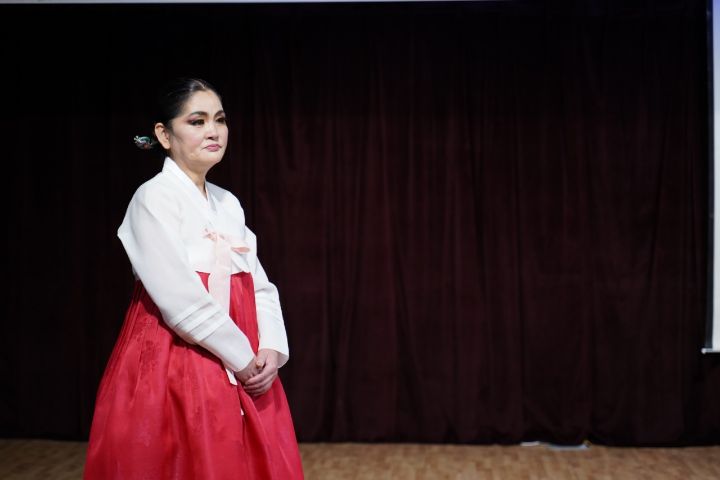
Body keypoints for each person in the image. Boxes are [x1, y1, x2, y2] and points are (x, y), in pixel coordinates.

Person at [83, 78, 304, 479]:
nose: (213, 131)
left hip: (244, 359)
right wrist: (242, 358)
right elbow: (181, 299)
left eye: (220, 120)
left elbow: (259, 284)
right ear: (164, 134)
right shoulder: (153, 197)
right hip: (178, 358)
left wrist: (271, 347)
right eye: (197, 121)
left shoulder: (227, 203)